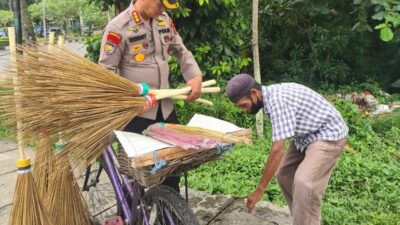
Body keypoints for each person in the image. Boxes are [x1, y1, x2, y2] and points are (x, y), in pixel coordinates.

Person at [98, 0, 203, 192]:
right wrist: (129, 99)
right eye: (160, 4)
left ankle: (171, 214)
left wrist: (195, 76)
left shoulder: (163, 20)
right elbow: (106, 72)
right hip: (136, 114)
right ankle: (133, 215)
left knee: (172, 169)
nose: (162, 9)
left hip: (165, 108)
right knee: (136, 175)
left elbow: (181, 51)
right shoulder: (118, 27)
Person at [226, 74, 349, 225]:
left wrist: (260, 190)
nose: (244, 110)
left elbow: (278, 150)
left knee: (304, 183)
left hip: (328, 134)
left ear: (254, 93)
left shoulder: (278, 102)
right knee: (284, 175)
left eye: (243, 105)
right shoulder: (268, 98)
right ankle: (304, 217)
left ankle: (307, 219)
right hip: (305, 136)